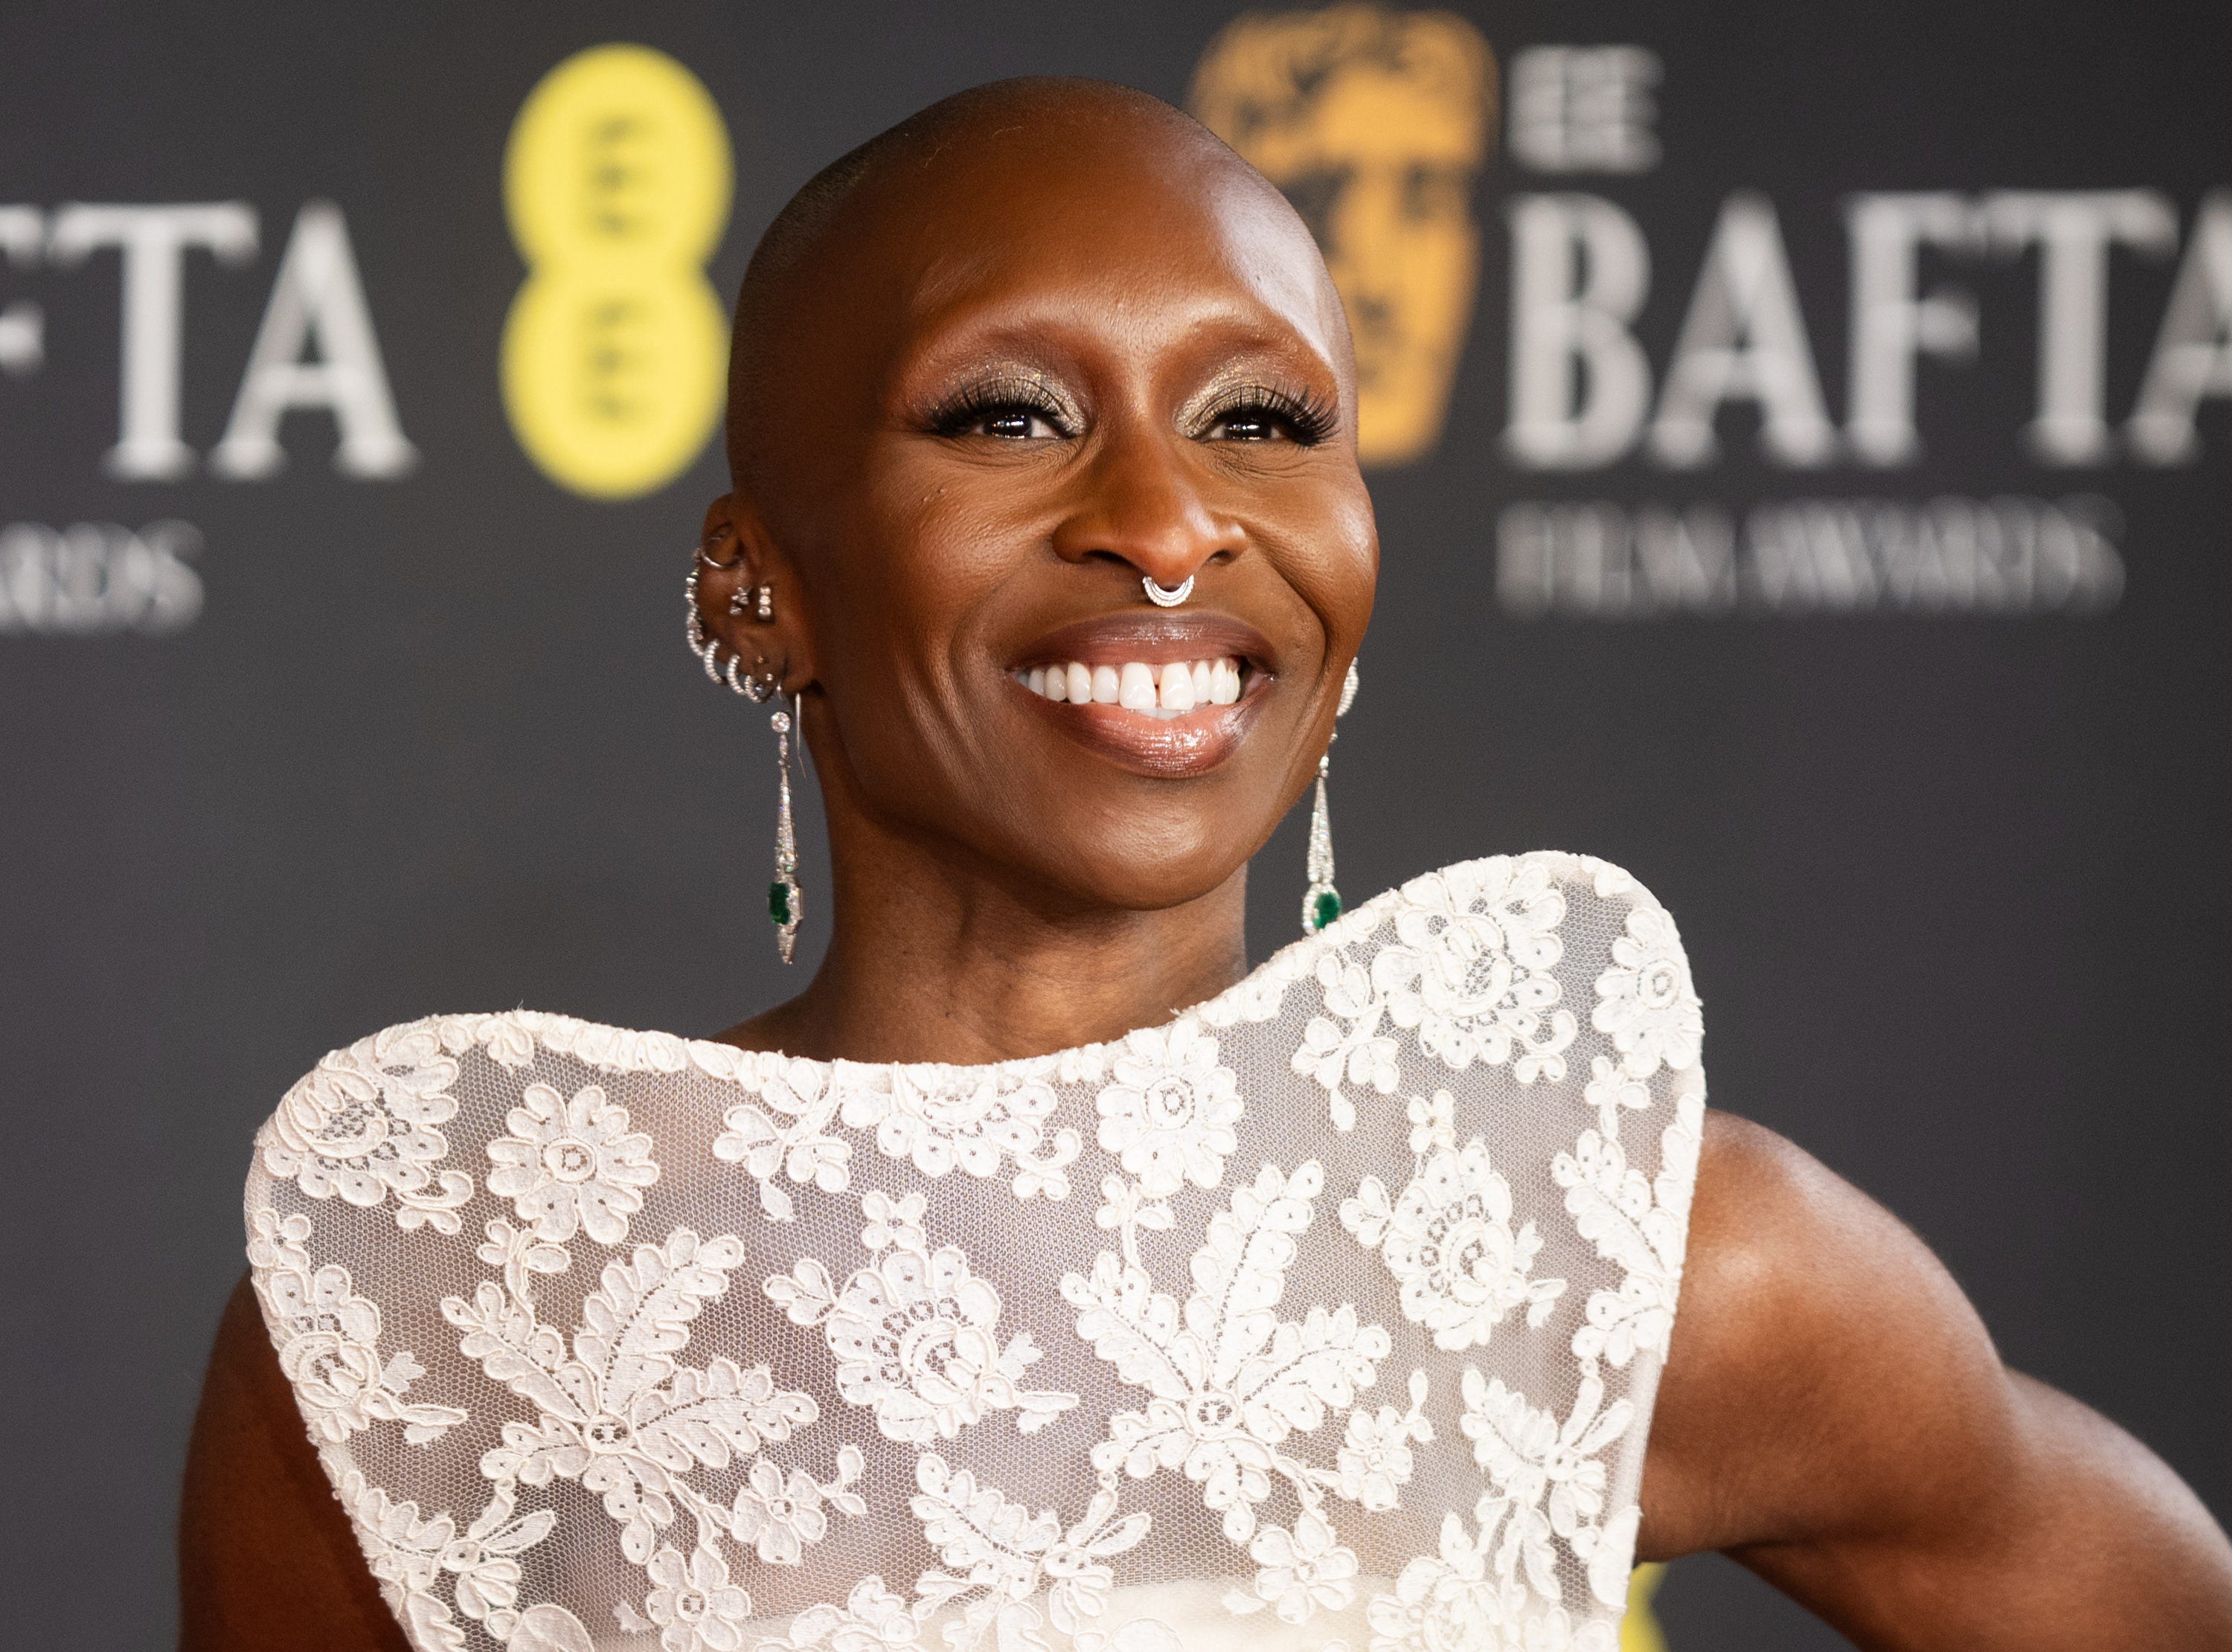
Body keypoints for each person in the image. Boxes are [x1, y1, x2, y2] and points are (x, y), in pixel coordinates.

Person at [179, 78, 2232, 1652]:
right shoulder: (447, 1314)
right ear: (760, 583)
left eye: (1262, 418)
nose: (1167, 523)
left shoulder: (1623, 1253)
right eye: (1004, 415)